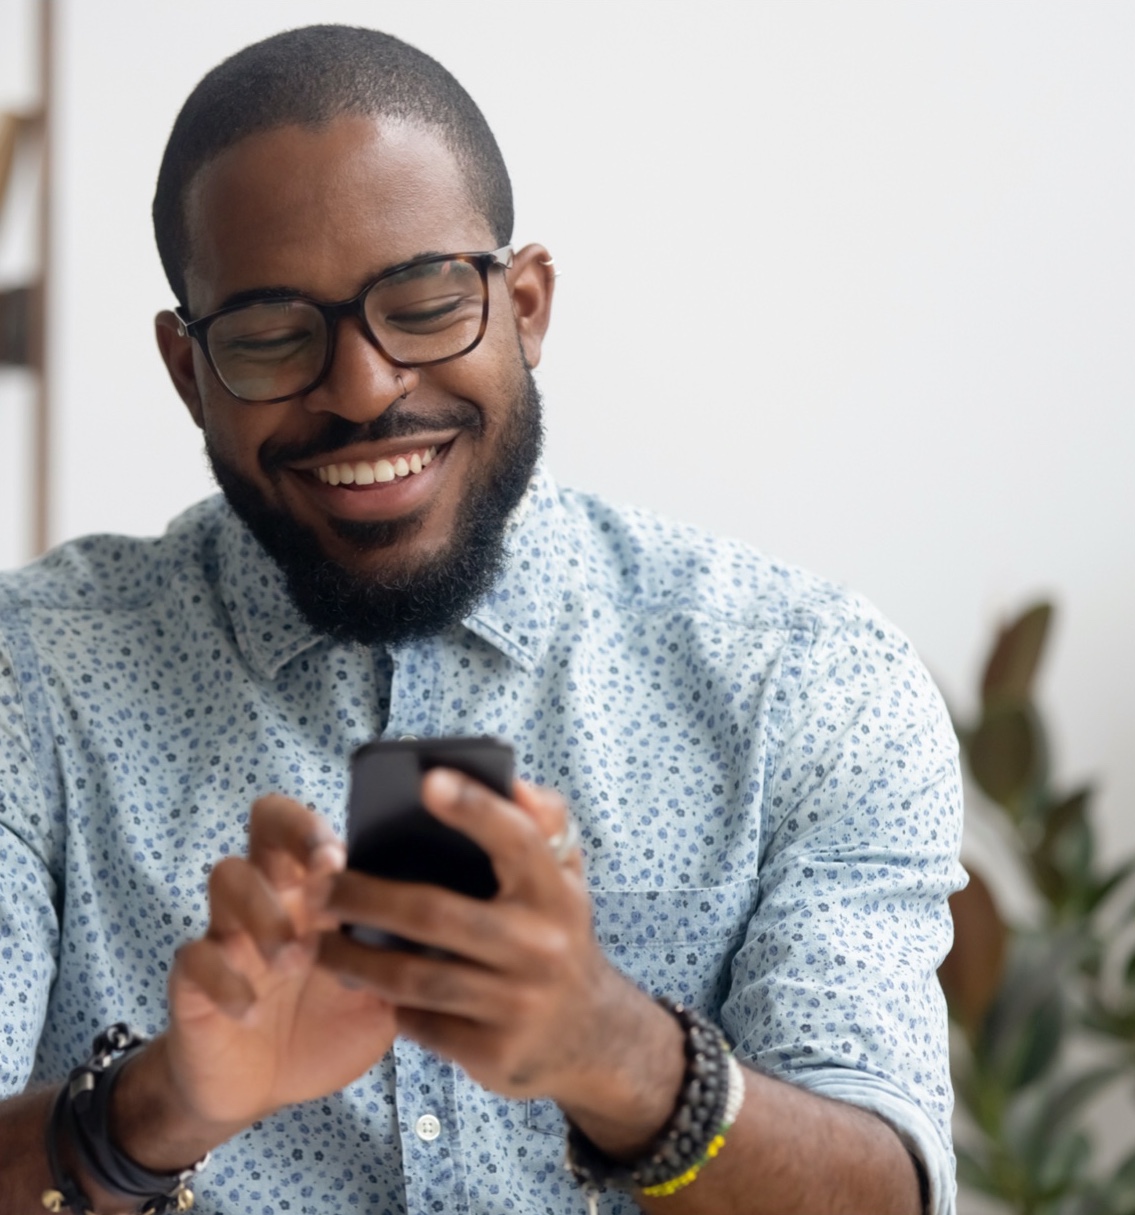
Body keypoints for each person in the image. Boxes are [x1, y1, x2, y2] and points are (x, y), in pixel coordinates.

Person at [0, 24, 965, 1215]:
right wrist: (155, 1108)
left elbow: (887, 1196)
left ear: (527, 306)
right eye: (268, 335)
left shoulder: (804, 681)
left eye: (423, 303)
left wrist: (618, 1056)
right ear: (188, 371)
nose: (362, 389)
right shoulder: (27, 681)